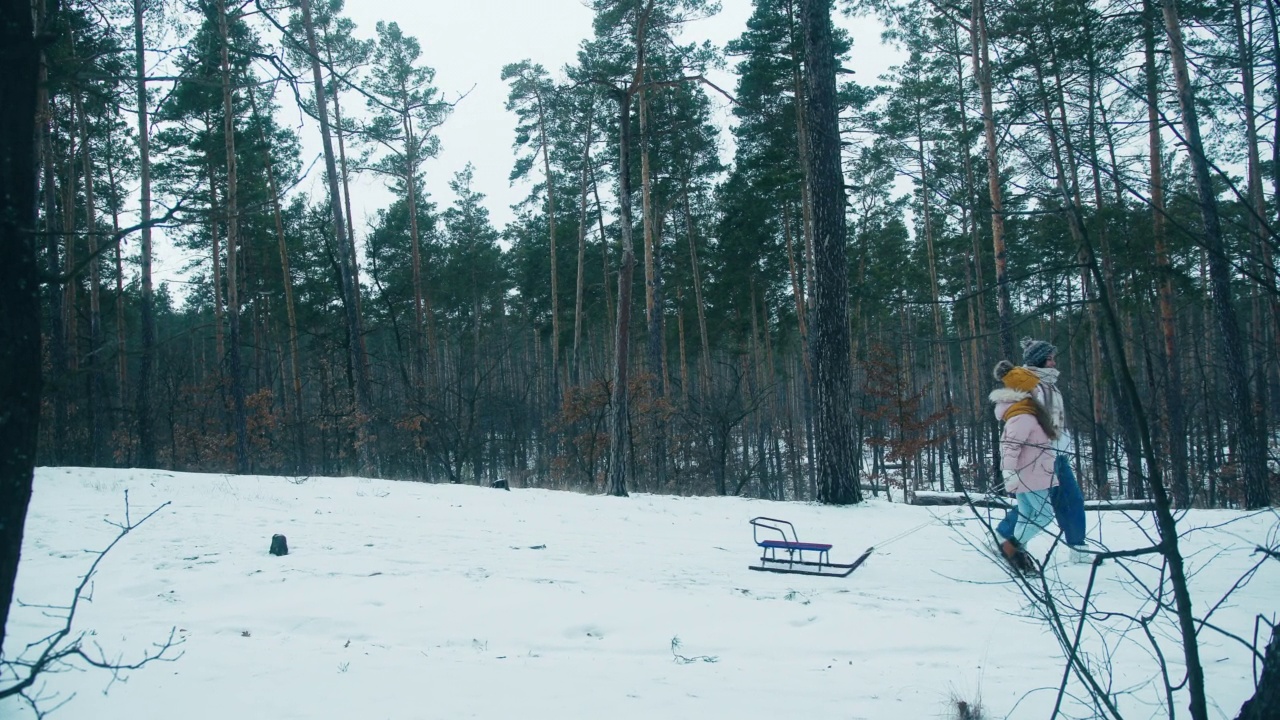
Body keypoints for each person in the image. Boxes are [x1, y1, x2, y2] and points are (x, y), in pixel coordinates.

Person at [995, 338, 1090, 563]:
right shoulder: (1032, 387)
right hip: (1039, 456)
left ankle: (1076, 547)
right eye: (1050, 359)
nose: (1054, 362)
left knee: (1058, 503)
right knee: (1042, 509)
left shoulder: (1048, 385)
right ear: (1040, 361)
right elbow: (1019, 425)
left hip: (1055, 454)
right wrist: (1011, 465)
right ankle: (1009, 544)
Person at [990, 360, 1059, 574]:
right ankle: (1011, 547)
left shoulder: (1026, 412)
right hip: (1030, 474)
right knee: (1045, 515)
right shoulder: (1022, 415)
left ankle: (1019, 560)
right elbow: (1010, 446)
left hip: (1032, 472)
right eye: (1033, 386)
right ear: (1024, 389)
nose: (1038, 390)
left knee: (1027, 516)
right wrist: (1008, 472)